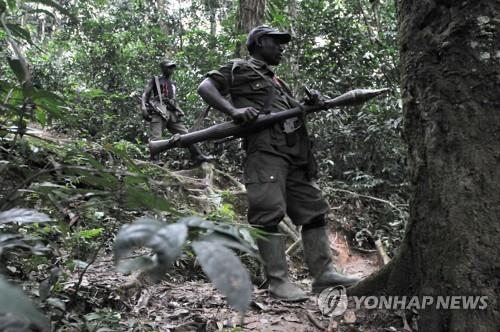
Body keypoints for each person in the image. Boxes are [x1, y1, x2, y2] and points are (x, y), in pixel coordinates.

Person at [197, 26, 360, 301]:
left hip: (294, 154)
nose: (282, 49)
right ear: (260, 43)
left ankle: (324, 275)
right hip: (266, 152)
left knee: (313, 210)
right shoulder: (239, 68)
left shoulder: (278, 82)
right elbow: (206, 87)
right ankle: (278, 282)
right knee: (268, 212)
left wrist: (310, 103)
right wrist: (234, 111)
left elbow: (290, 112)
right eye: (277, 43)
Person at [141, 59, 212, 164]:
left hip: (172, 112)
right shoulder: (156, 79)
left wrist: (177, 110)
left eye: (171, 67)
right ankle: (155, 160)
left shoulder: (172, 84)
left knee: (186, 135)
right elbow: (145, 94)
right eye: (168, 67)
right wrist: (143, 108)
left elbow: (173, 99)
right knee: (156, 135)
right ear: (163, 68)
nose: (171, 69)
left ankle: (197, 155)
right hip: (159, 110)